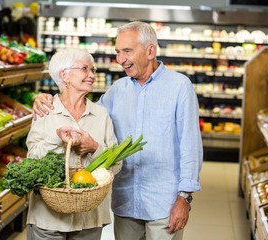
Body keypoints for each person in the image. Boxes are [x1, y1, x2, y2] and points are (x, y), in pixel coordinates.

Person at [32, 21, 203, 240]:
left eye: (127, 51)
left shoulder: (180, 87)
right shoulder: (117, 90)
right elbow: (82, 113)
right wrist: (49, 98)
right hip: (125, 203)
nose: (120, 59)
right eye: (118, 52)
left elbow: (191, 146)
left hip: (164, 202)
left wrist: (184, 198)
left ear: (150, 51)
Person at [25, 48, 119, 240]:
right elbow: (32, 158)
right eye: (85, 69)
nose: (91, 75)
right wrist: (56, 138)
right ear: (64, 75)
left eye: (92, 70)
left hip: (89, 219)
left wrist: (94, 147)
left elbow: (117, 165)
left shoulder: (101, 115)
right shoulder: (45, 111)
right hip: (48, 219)